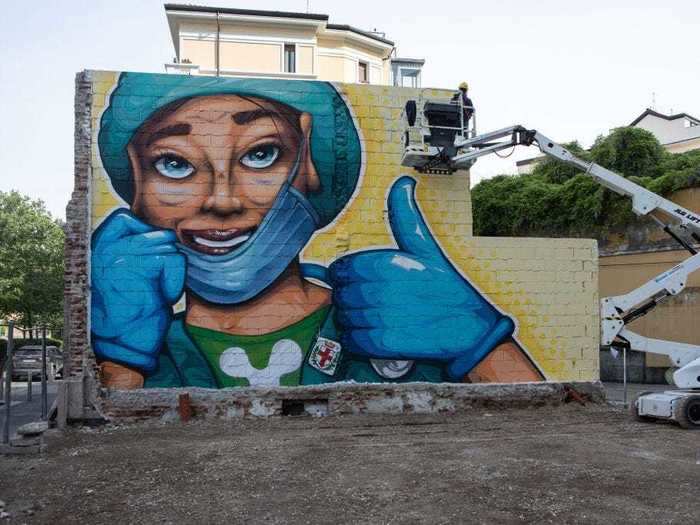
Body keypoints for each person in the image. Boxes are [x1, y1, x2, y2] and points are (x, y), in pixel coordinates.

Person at [92, 72, 543, 389]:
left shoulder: (393, 325)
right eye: (174, 164)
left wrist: (480, 346)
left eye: (260, 154)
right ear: (137, 188)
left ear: (307, 164)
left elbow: (540, 433)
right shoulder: (141, 346)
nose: (222, 201)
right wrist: (121, 360)